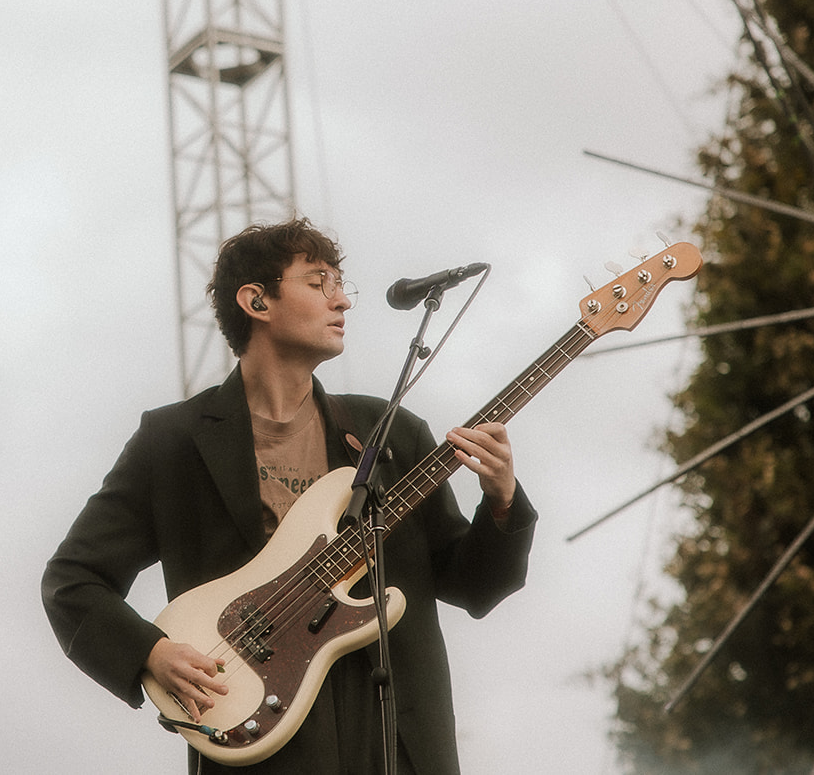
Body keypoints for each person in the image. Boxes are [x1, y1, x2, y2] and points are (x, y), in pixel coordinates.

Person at [41, 217, 536, 774]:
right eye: (319, 281)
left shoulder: (390, 434)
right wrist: (152, 653)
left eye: (340, 284)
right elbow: (72, 580)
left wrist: (502, 500)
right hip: (256, 741)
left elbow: (473, 585)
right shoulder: (173, 442)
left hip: (394, 743)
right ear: (256, 301)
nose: (342, 301)